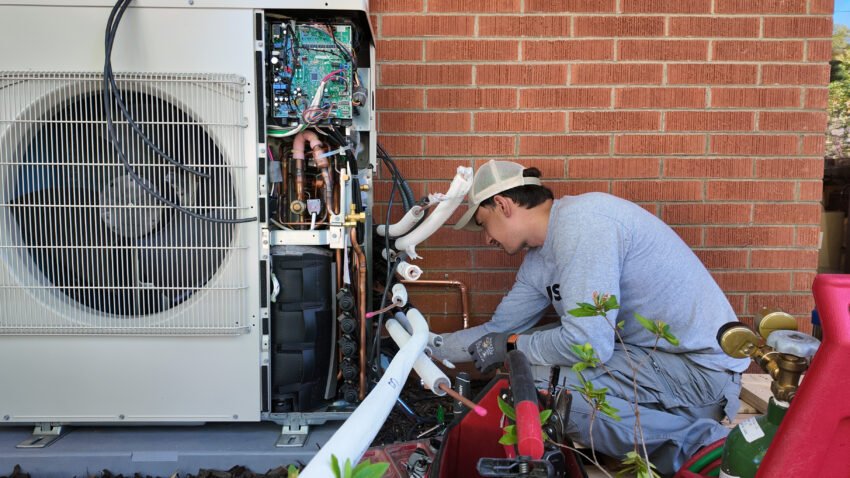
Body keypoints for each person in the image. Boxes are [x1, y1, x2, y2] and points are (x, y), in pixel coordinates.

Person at [434, 160, 749, 475]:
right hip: (652, 363)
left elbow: (588, 344)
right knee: (532, 368)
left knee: (543, 384)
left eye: (483, 223)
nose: (486, 239)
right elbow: (496, 333)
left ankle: (708, 451)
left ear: (502, 205)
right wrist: (425, 347)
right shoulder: (538, 262)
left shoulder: (583, 224)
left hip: (701, 375)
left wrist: (513, 345)